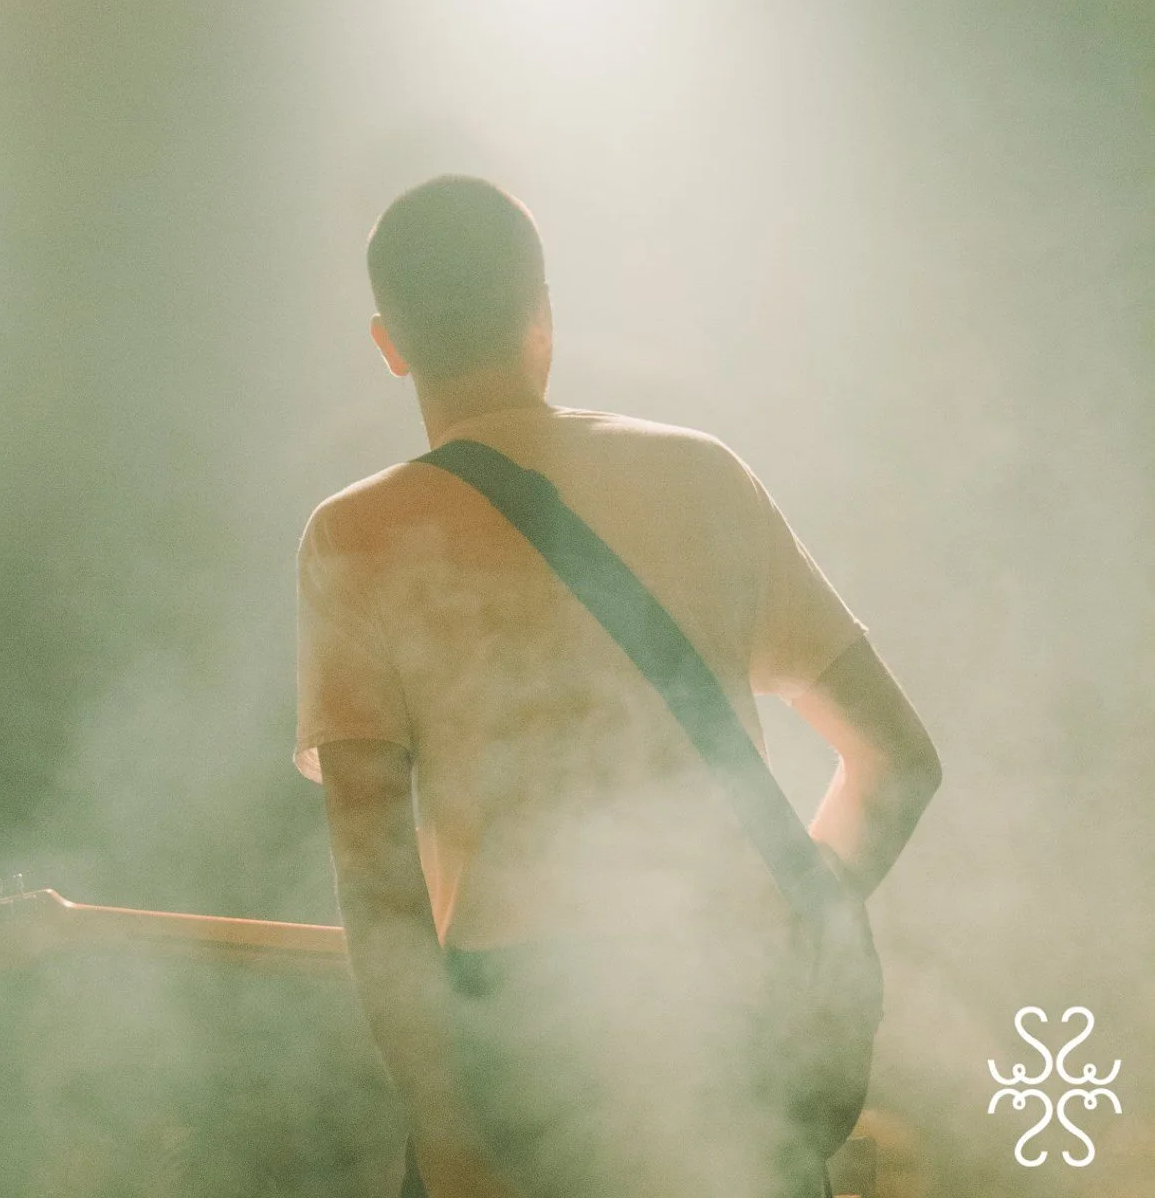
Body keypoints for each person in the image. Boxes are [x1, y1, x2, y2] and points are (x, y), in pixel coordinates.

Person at [296, 176, 941, 1198]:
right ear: (541, 315)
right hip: (734, 1025)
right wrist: (804, 913)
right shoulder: (703, 475)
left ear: (390, 343)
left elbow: (378, 884)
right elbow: (899, 760)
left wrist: (449, 1135)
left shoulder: (358, 535)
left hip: (523, 1052)